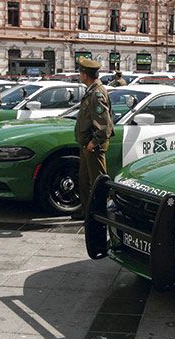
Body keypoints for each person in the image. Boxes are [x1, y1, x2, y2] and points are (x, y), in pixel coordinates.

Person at [71, 57, 113, 221]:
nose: (79, 75)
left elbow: (104, 125)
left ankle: (100, 213)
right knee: (84, 181)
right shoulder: (92, 90)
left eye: (80, 72)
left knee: (97, 182)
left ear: (85, 74)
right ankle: (87, 212)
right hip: (87, 145)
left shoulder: (96, 94)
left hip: (93, 146)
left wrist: (93, 142)